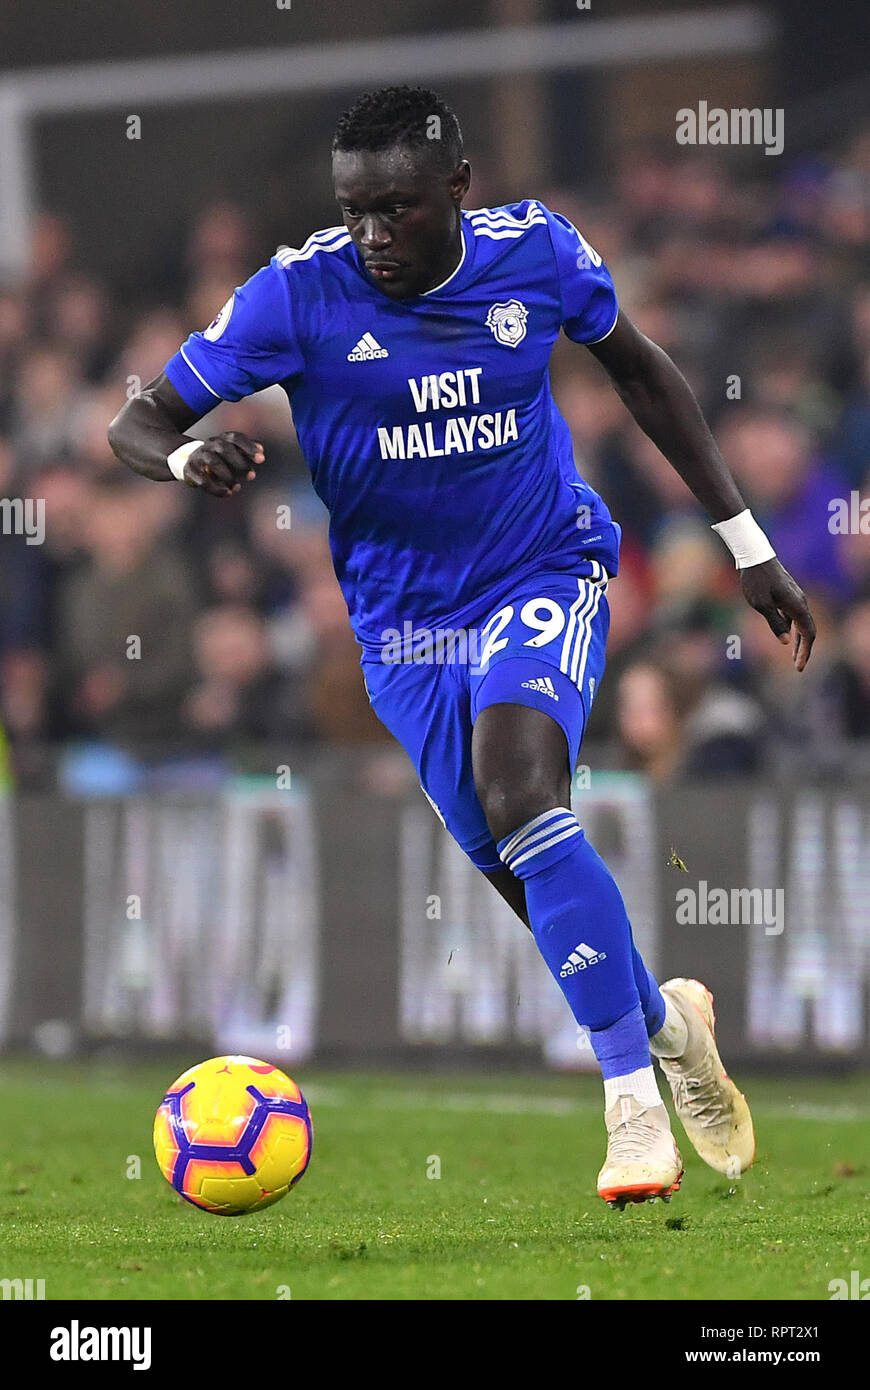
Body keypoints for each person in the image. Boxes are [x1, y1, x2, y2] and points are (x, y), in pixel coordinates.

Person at [109, 85, 815, 1209]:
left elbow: (641, 369)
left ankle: (633, 1105)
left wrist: (745, 542)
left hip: (544, 567)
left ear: (457, 188)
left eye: (397, 209)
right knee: (522, 863)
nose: (374, 236)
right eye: (356, 212)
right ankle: (673, 1026)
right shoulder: (293, 295)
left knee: (523, 791)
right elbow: (137, 422)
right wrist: (189, 462)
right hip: (403, 629)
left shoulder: (534, 253)